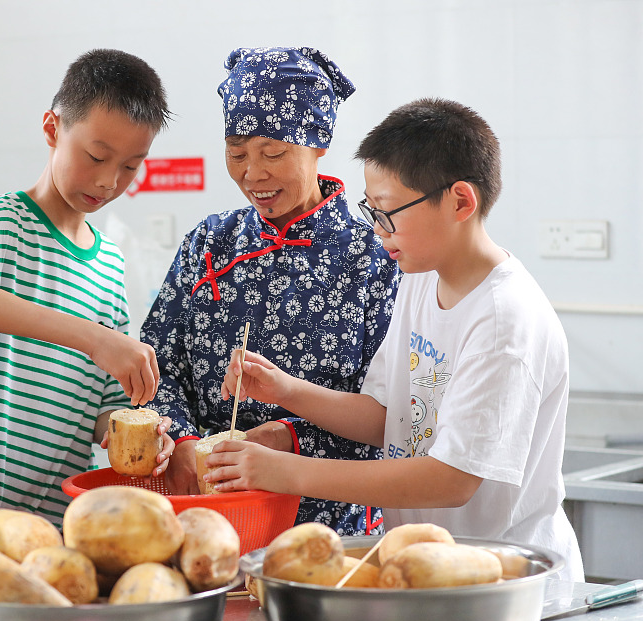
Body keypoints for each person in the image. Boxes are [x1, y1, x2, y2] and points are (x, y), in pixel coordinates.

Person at [210, 98, 585, 580]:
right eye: (372, 210)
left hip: (501, 581)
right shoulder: (421, 276)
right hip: (427, 568)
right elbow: (389, 415)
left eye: (388, 213)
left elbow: (450, 480)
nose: (376, 230)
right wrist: (288, 392)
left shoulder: (502, 321)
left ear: (460, 202)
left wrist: (283, 472)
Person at [140, 47, 400, 535]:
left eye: (274, 153)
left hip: (331, 532)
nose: (252, 173)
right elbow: (156, 365)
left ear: (318, 144)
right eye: (236, 153)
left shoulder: (375, 256)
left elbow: (393, 415)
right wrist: (182, 439)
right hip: (207, 522)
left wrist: (284, 440)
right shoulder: (209, 244)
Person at [0, 49, 174, 526]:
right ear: (53, 128)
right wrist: (95, 338)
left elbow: (104, 410)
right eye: (96, 156)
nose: (107, 181)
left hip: (58, 524)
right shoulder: (4, 222)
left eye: (130, 167)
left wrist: (139, 433)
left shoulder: (109, 263)